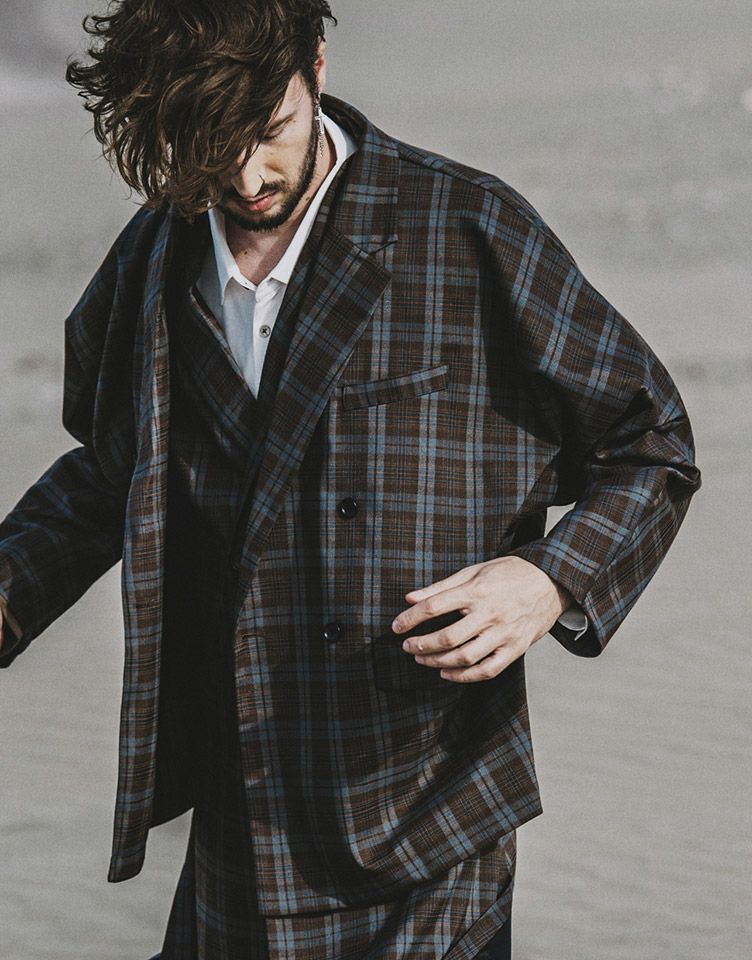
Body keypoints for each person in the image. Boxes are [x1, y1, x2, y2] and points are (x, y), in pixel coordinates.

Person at [0, 1, 702, 957]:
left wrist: (548, 579)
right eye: (207, 143)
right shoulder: (155, 261)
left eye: (268, 129)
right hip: (245, 801)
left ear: (317, 64)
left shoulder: (465, 225)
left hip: (426, 807)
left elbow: (651, 440)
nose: (246, 176)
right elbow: (108, 475)